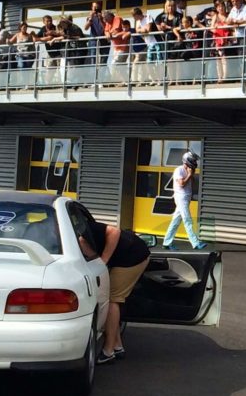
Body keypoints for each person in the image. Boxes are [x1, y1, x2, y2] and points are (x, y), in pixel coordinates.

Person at [74, 212, 150, 363]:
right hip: (130, 255)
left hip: (132, 257)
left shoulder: (85, 231)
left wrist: (105, 260)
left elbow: (114, 232)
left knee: (113, 300)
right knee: (111, 299)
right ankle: (117, 346)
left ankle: (108, 351)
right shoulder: (79, 236)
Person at [163, 149, 208, 250]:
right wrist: (189, 175)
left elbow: (192, 184)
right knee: (187, 220)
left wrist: (191, 175)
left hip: (186, 197)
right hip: (181, 197)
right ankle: (195, 243)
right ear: (187, 160)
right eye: (193, 160)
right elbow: (182, 184)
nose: (195, 163)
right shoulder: (179, 170)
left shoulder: (188, 170)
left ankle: (166, 242)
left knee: (175, 221)